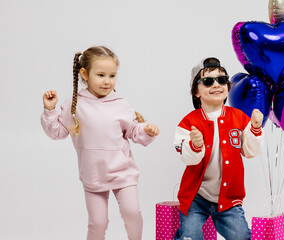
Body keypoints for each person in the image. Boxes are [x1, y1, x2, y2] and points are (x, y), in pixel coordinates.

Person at [41, 46, 159, 240]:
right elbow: (58, 132)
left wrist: (146, 130)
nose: (107, 81)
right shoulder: (74, 105)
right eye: (101, 75)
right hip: (93, 175)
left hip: (123, 172)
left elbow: (133, 130)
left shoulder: (120, 103)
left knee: (132, 213)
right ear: (85, 74)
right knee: (98, 223)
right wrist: (50, 111)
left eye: (112, 76)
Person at [174, 57, 263, 240]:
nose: (216, 85)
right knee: (189, 235)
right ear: (196, 92)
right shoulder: (188, 122)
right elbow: (187, 158)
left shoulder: (239, 118)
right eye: (207, 81)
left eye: (221, 80)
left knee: (241, 236)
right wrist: (195, 145)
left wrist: (254, 128)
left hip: (229, 199)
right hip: (196, 198)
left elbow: (250, 152)